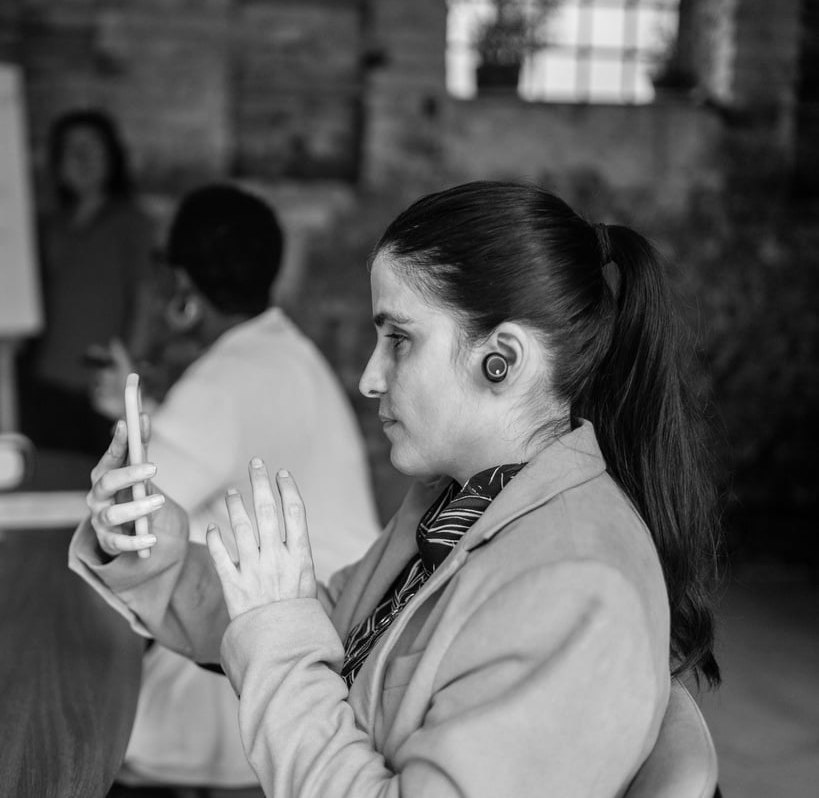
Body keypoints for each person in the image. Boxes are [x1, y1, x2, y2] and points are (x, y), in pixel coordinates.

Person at [71, 180, 721, 797]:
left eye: (399, 340)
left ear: (503, 360)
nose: (368, 378)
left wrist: (278, 637)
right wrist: (153, 553)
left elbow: (293, 634)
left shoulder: (576, 587)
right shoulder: (462, 501)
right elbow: (325, 619)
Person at [88, 184, 380, 789]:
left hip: (274, 663)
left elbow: (131, 509)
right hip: (338, 644)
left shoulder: (225, 377)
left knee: (95, 727)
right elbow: (210, 445)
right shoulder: (282, 351)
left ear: (184, 292)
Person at [18, 108, 155, 457]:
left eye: (91, 148)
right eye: (71, 149)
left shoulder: (131, 222)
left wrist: (129, 370)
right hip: (46, 379)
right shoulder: (49, 225)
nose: (81, 159)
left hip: (101, 386)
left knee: (98, 482)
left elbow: (145, 297)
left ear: (111, 157)